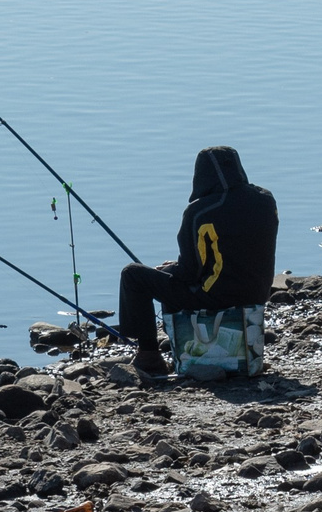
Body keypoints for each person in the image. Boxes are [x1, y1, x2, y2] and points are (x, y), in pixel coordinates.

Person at [118, 146, 278, 376]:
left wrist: (169, 269)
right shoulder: (265, 200)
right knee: (175, 280)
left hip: (218, 298)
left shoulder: (200, 212)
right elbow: (235, 250)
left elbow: (189, 272)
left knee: (133, 275)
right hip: (257, 295)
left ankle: (149, 355)